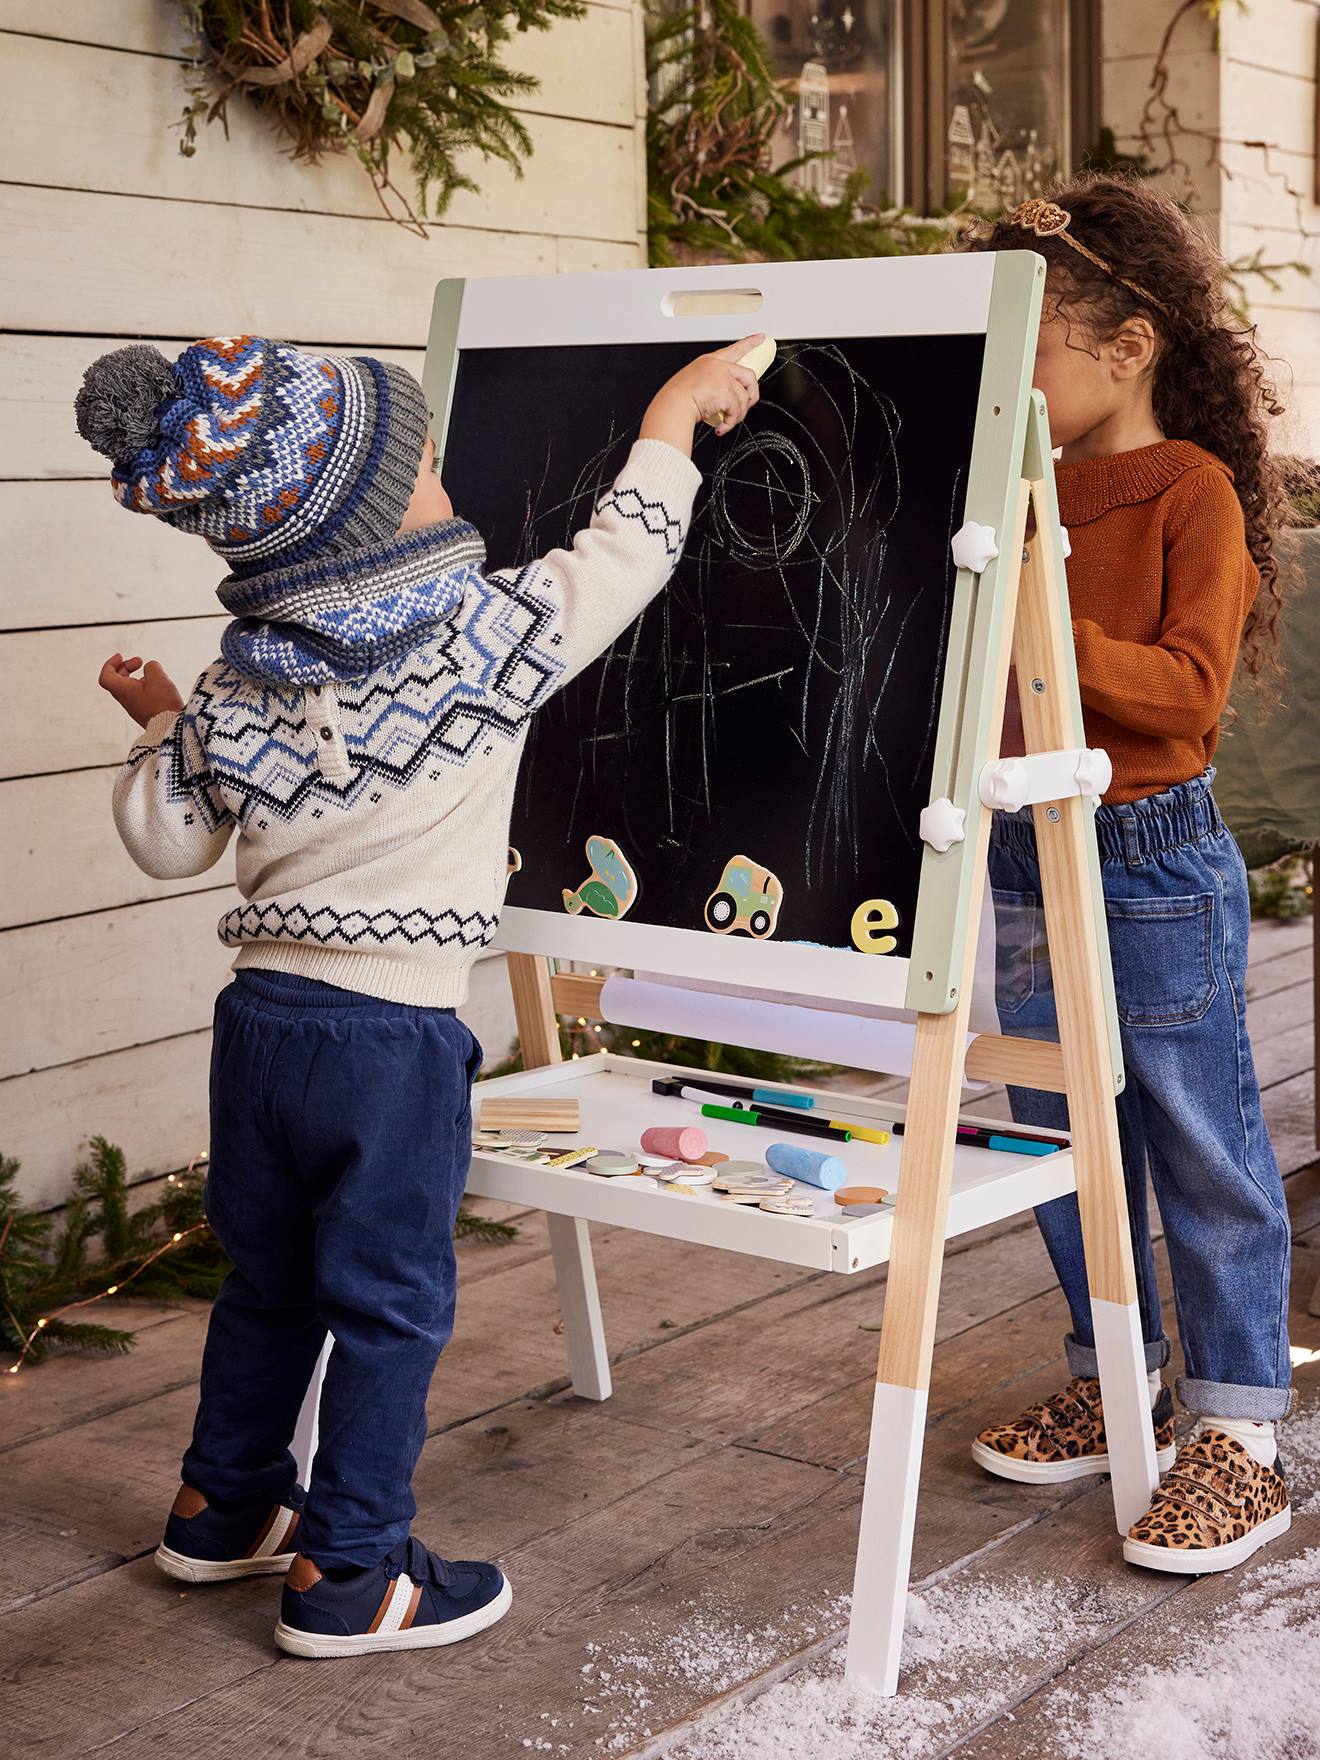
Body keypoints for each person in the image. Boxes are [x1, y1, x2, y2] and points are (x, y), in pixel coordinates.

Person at [79, 330, 761, 1656]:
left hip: (258, 1031)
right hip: (388, 1037)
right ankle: (356, 1576)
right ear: (360, 507)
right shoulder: (480, 637)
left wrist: (166, 726)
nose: (453, 476)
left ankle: (223, 1508)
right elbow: (628, 553)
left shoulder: (240, 679)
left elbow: (171, 839)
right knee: (391, 1305)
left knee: (269, 1282)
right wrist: (673, 415)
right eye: (431, 463)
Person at [963, 178, 1295, 1573]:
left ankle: (1239, 1430)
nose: (1012, 384)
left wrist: (1032, 615)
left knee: (1193, 1137)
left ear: (1129, 343)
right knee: (1055, 1138)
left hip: (1149, 856)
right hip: (1017, 852)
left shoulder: (1186, 490)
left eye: (1031, 351)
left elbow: (1188, 694)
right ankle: (1122, 1370)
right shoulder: (1008, 483)